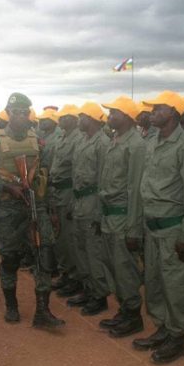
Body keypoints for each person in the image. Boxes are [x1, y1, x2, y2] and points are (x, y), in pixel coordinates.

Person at [0, 92, 65, 329]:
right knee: (10, 257)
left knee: (43, 255)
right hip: (7, 209)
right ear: (8, 112)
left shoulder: (37, 140)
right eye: (14, 112)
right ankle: (12, 306)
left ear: (28, 114)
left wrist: (50, 207)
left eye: (23, 112)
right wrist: (6, 186)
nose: (19, 116)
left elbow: (46, 174)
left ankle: (42, 312)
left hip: (35, 207)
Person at [132, 91, 184, 364]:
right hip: (152, 226)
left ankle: (178, 336)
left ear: (172, 112)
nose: (152, 112)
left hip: (174, 228)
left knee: (176, 284)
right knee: (155, 281)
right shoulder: (152, 141)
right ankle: (163, 328)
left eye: (158, 108)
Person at [97, 96, 146, 338]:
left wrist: (133, 228)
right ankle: (124, 310)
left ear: (126, 116)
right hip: (109, 216)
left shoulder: (136, 145)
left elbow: (136, 188)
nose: (109, 116)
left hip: (123, 217)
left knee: (125, 268)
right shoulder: (114, 140)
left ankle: (133, 315)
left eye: (114, 112)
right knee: (112, 266)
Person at [72, 102, 112, 316]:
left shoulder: (103, 143)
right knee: (81, 250)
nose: (79, 120)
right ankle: (88, 289)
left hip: (93, 202)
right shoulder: (83, 140)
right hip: (80, 202)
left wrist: (99, 213)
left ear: (92, 119)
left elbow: (104, 180)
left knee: (94, 252)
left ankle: (99, 295)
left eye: (82, 116)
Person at [47, 105, 84, 305]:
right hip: (57, 192)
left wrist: (73, 201)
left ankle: (75, 278)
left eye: (64, 117)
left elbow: (77, 171)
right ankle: (66, 274)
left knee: (70, 240)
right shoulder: (63, 137)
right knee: (60, 238)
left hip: (69, 192)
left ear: (72, 119)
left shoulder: (78, 138)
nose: (59, 120)